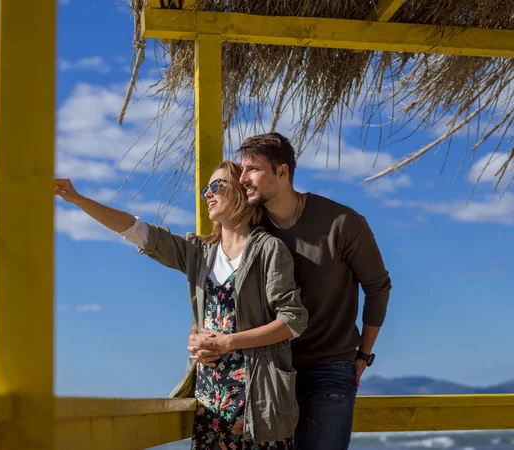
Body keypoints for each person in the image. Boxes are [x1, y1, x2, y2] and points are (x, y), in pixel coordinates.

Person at [54, 160, 308, 449]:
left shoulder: (269, 250)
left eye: (217, 186)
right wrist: (76, 199)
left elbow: (292, 321)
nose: (208, 194)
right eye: (205, 190)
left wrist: (229, 342)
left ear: (242, 191)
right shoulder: (199, 252)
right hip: (210, 398)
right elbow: (137, 231)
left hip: (260, 399)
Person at [188, 133, 392, 450]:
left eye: (252, 169)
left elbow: (378, 287)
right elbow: (222, 290)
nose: (242, 179)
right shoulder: (253, 232)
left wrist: (364, 354)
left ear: (282, 172)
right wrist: (200, 336)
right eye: (241, 171)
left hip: (330, 369)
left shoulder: (342, 222)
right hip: (267, 369)